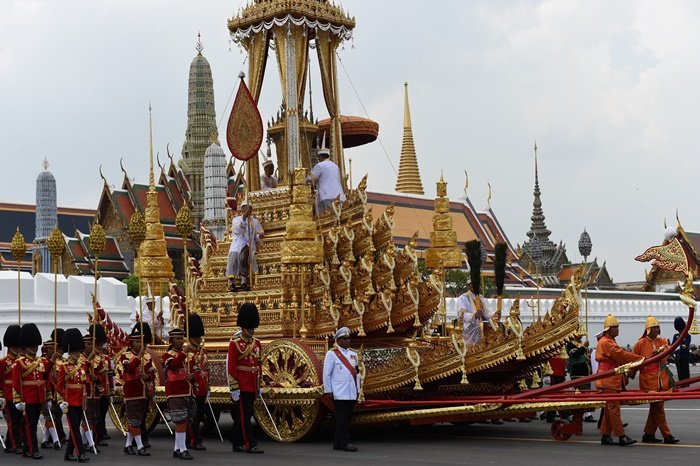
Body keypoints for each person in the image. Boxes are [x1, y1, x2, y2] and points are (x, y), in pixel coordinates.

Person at [595, 314, 644, 446]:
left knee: (609, 409)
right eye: (615, 327)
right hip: (608, 379)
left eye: (618, 327)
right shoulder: (607, 342)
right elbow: (621, 355)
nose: (618, 329)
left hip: (610, 378)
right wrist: (640, 358)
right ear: (608, 329)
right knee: (613, 409)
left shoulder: (608, 341)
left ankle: (605, 436)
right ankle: (621, 436)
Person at [633, 316, 679, 444]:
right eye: (654, 328)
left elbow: (667, 353)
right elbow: (635, 361)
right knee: (658, 408)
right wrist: (650, 357)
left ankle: (648, 434)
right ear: (648, 329)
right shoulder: (639, 344)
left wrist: (661, 353)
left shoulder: (662, 341)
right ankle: (667, 435)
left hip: (662, 380)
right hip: (648, 381)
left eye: (658, 327)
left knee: (655, 407)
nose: (657, 330)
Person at [227, 303, 264, 454]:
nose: (251, 331)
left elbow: (259, 364)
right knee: (244, 416)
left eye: (252, 328)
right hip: (241, 385)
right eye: (249, 328)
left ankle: (237, 443)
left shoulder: (257, 344)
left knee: (245, 415)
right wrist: (234, 387)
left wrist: (259, 384)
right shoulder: (235, 344)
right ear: (243, 328)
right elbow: (231, 367)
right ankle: (250, 443)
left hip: (252, 384)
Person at [12, 323, 49, 459]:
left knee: (31, 424)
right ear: (26, 346)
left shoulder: (41, 361)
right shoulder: (20, 362)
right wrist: (17, 400)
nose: (34, 348)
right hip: (27, 398)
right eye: (32, 345)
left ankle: (27, 450)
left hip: (38, 397)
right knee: (30, 425)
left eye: (35, 345)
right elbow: (16, 383)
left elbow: (46, 377)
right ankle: (33, 450)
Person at [323, 327, 362, 452]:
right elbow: (326, 374)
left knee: (347, 418)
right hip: (339, 392)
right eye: (344, 338)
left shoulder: (353, 354)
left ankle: (338, 443)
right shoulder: (332, 354)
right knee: (342, 419)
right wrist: (328, 390)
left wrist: (358, 389)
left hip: (350, 391)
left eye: (348, 338)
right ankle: (345, 443)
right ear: (338, 340)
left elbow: (357, 373)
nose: (347, 341)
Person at [117, 324, 153, 456]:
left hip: (143, 391)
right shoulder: (125, 356)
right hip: (131, 391)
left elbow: (152, 373)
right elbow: (129, 370)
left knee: (136, 419)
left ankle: (128, 445)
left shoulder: (146, 357)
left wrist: (147, 376)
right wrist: (138, 358)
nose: (139, 344)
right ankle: (139, 446)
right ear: (132, 343)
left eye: (141, 342)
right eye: (137, 342)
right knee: (135, 420)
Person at [56, 328, 90, 463]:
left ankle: (68, 453)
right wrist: (61, 401)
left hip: (80, 401)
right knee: (75, 429)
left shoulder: (82, 366)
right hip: (69, 402)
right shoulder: (63, 367)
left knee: (74, 429)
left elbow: (83, 383)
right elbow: (59, 386)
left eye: (78, 351)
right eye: (75, 351)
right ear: (70, 351)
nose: (77, 353)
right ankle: (81, 453)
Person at [162, 328, 196, 460]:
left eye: (182, 338)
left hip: (187, 391)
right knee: (181, 420)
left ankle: (177, 448)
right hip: (175, 392)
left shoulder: (188, 355)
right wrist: (183, 353)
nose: (181, 341)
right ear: (171, 340)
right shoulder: (167, 354)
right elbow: (173, 366)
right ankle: (183, 449)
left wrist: (192, 376)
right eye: (177, 338)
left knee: (185, 420)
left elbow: (193, 369)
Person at [226, 201, 264, 292]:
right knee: (234, 257)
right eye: (246, 208)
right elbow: (237, 230)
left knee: (245, 255)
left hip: (249, 244)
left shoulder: (254, 221)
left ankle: (243, 282)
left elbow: (256, 236)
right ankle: (231, 283)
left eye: (250, 208)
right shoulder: (237, 219)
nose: (248, 210)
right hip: (237, 243)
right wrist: (244, 217)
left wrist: (260, 236)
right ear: (242, 209)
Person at [186, 314, 208, 451]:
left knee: (199, 415)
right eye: (197, 337)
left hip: (202, 388)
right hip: (192, 389)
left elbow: (206, 369)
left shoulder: (202, 351)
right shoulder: (187, 352)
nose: (199, 339)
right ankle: (194, 440)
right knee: (193, 416)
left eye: (199, 337)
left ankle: (194, 438)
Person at [2, 325, 24, 454]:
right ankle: (15, 444)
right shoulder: (4, 362)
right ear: (10, 347)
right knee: (13, 421)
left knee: (19, 420)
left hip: (20, 393)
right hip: (8, 395)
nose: (17, 349)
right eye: (16, 347)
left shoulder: (21, 361)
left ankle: (11, 442)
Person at [307, 147, 346, 215]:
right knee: (337, 216)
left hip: (326, 196)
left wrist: (304, 178)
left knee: (324, 217)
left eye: (318, 157)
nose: (318, 159)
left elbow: (310, 178)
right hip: (339, 196)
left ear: (320, 156)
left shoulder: (320, 165)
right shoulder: (335, 166)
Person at [566, 335, 595, 422]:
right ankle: (574, 413)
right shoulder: (570, 344)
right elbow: (575, 354)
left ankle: (585, 413)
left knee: (585, 393)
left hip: (585, 372)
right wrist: (584, 347)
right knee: (580, 394)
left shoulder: (579, 343)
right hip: (577, 372)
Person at [671, 316, 691, 381]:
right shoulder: (675, 336)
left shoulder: (687, 335)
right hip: (678, 357)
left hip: (684, 357)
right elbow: (673, 345)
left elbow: (686, 345)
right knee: (680, 373)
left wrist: (680, 345)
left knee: (685, 372)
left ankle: (686, 385)